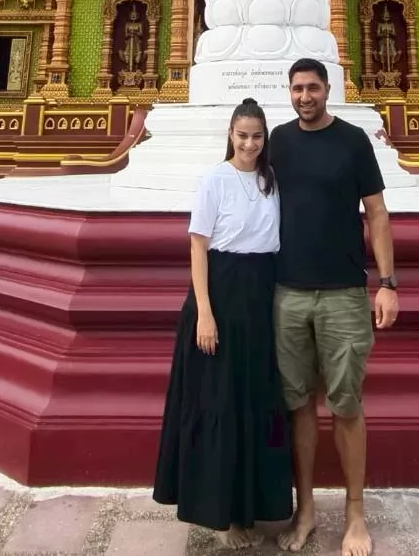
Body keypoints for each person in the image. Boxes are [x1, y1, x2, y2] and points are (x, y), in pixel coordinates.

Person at [269, 59, 399, 556]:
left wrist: (386, 283)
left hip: (344, 291)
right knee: (298, 403)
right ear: (291, 92)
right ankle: (305, 511)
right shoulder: (276, 141)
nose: (305, 96)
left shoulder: (353, 140)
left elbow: (378, 212)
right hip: (288, 291)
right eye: (298, 89)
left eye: (313, 88)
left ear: (328, 89)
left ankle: (355, 513)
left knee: (346, 402)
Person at [154, 98, 292, 547]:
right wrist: (205, 313)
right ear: (230, 135)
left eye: (256, 136)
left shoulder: (273, 181)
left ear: (265, 138)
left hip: (261, 296)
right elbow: (199, 247)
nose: (249, 144)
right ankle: (224, 514)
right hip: (220, 295)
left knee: (256, 402)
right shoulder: (215, 180)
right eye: (241, 135)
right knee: (221, 405)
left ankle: (252, 507)